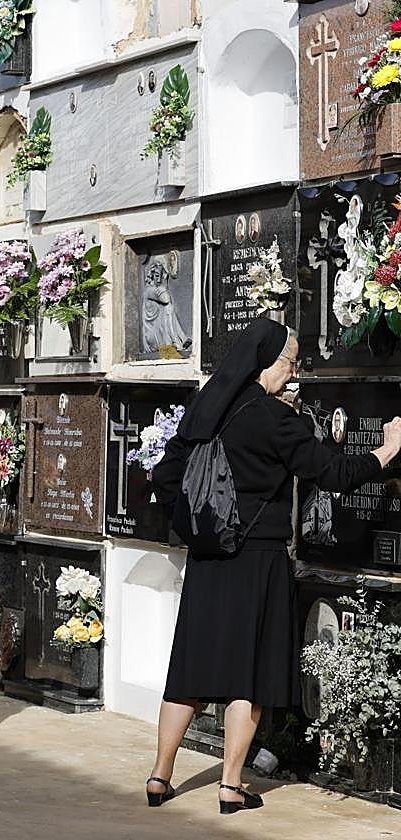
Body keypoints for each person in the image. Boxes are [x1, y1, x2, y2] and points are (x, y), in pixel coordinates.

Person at [147, 319, 401, 815]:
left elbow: (166, 476)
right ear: (269, 361)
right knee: (248, 673)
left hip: (207, 558)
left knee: (190, 670)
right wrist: (387, 449)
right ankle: (230, 784)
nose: (295, 370)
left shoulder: (209, 405)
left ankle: (160, 775)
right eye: (291, 361)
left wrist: (200, 522)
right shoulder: (272, 418)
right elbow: (334, 474)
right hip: (256, 558)